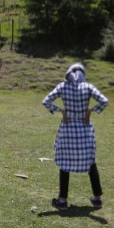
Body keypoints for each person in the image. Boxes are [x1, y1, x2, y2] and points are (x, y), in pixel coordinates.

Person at [42, 63, 109, 211]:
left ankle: (62, 200)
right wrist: (91, 111)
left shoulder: (63, 86)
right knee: (90, 162)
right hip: (85, 130)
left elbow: (46, 101)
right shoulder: (88, 87)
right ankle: (97, 199)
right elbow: (104, 100)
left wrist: (61, 110)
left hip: (68, 130)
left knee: (65, 164)